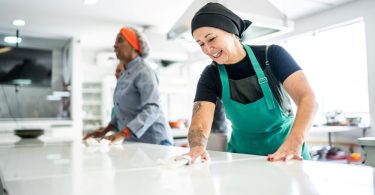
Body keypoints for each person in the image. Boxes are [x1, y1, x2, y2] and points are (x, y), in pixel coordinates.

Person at [187, 2, 318, 161]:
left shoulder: (272, 56)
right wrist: (197, 147)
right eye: (201, 44)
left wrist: (295, 142)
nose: (207, 49)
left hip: (286, 153)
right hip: (242, 158)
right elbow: (199, 124)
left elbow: (308, 99)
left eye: (211, 38)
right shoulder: (211, 74)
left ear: (231, 31)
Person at [84, 27, 173, 145]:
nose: (114, 46)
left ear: (134, 46)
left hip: (154, 140)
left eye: (120, 41)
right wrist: (105, 130)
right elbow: (121, 111)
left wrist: (122, 134)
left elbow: (152, 108)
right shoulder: (125, 73)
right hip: (135, 141)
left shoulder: (144, 71)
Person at [83, 62, 124, 138]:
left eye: (119, 71)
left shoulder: (135, 93)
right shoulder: (119, 94)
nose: (115, 74)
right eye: (115, 72)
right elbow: (116, 124)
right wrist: (103, 131)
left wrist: (122, 134)